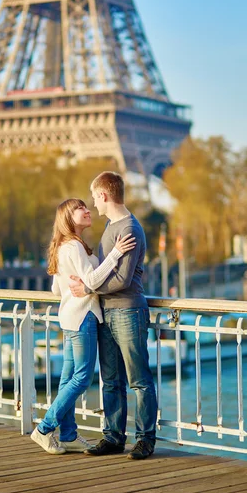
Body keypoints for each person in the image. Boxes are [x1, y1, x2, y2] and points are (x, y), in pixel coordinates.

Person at [31, 197, 136, 455]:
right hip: (83, 316)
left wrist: (73, 283)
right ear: (68, 217)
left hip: (69, 316)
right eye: (80, 208)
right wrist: (116, 254)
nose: (87, 210)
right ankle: (44, 428)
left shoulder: (64, 246)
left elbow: (57, 288)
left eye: (86, 206)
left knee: (68, 378)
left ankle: (68, 435)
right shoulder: (75, 248)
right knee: (82, 378)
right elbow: (91, 280)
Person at [69, 171, 158, 460]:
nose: (93, 204)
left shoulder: (130, 228)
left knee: (138, 379)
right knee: (111, 379)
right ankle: (113, 436)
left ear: (104, 195)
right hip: (107, 311)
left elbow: (121, 279)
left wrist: (88, 286)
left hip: (129, 310)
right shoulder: (111, 226)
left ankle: (145, 440)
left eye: (95, 197)